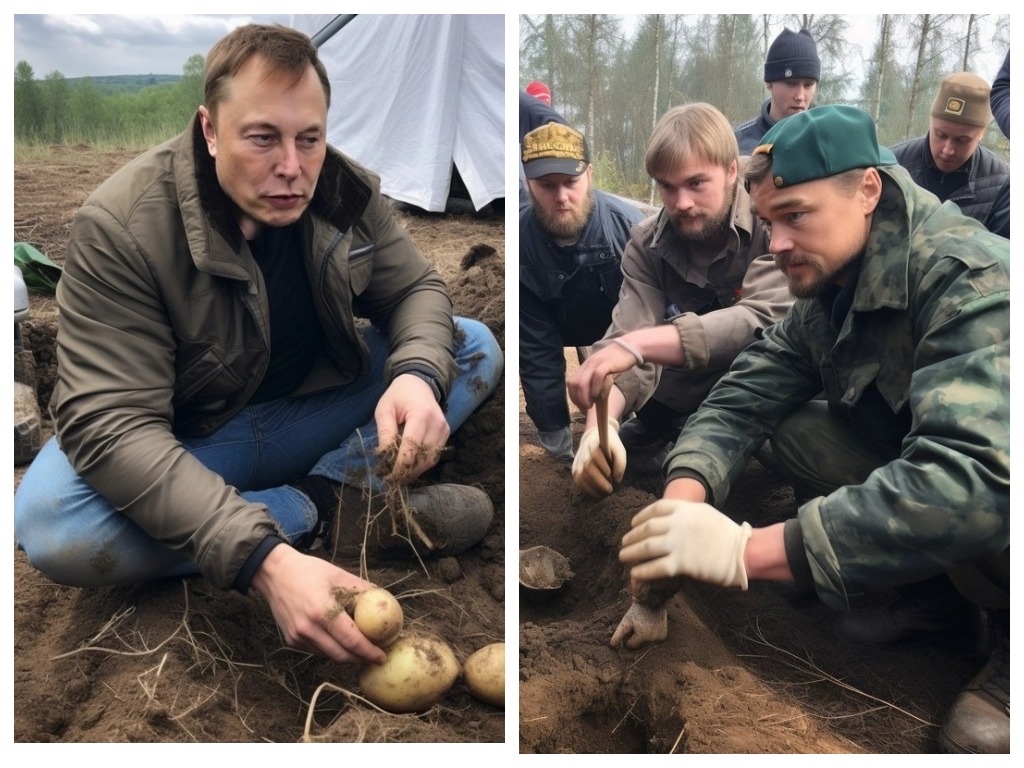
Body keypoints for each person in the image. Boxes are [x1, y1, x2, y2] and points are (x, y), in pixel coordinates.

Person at [13, 24, 504, 667]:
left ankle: (343, 493)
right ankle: (323, 511)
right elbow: (110, 422)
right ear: (210, 129)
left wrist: (413, 375)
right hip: (191, 442)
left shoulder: (343, 190)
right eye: (262, 138)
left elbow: (415, 289)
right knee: (52, 524)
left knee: (469, 347)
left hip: (308, 411)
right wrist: (262, 561)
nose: (292, 168)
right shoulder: (122, 226)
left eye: (310, 138)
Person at [596, 106, 1008, 754]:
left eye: (795, 216)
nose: (777, 243)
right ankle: (939, 603)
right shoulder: (831, 275)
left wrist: (745, 553)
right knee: (792, 428)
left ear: (867, 189)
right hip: (942, 467)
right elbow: (745, 396)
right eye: (768, 222)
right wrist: (678, 512)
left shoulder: (972, 279)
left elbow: (977, 477)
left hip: (994, 481)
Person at [568, 103, 791, 495]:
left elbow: (762, 318)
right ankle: (669, 433)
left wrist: (638, 344)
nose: (681, 203)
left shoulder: (771, 216)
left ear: (732, 172)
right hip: (683, 389)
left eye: (696, 184)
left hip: (768, 380)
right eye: (667, 187)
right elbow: (628, 330)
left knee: (791, 454)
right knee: (629, 458)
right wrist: (598, 429)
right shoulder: (646, 244)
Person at [520, 122, 644, 459]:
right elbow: (536, 353)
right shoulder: (522, 244)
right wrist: (558, 450)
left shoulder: (629, 229)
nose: (561, 197)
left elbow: (654, 332)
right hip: (557, 327)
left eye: (571, 183)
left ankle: (648, 438)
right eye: (547, 186)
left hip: (621, 331)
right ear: (528, 184)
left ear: (589, 175)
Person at [890, 72, 1008, 236]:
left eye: (962, 140)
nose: (947, 150)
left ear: (982, 134)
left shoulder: (1002, 187)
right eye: (940, 135)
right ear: (930, 122)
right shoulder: (893, 165)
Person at [734, 28, 820, 154]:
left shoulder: (825, 142)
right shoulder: (737, 142)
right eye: (791, 83)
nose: (800, 96)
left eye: (808, 85)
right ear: (769, 84)